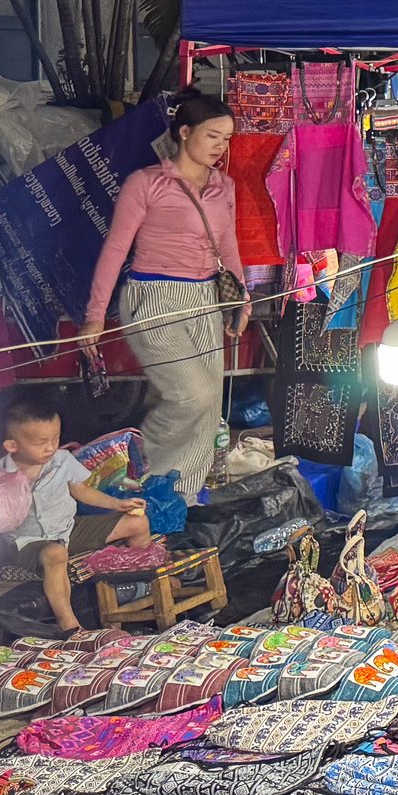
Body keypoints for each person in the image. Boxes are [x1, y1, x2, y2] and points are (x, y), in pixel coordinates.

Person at [80, 88, 248, 498]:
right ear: (184, 132)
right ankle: (141, 472)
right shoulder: (146, 183)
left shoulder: (223, 187)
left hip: (205, 299)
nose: (220, 147)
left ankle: (180, 500)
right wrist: (94, 316)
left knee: (209, 408)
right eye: (212, 136)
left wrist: (240, 301)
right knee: (192, 396)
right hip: (153, 298)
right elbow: (116, 248)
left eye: (226, 138)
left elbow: (229, 246)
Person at [0, 391, 150, 634]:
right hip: (27, 543)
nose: (50, 447)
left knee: (137, 523)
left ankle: (145, 585)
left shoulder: (62, 460)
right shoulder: (0, 475)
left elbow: (82, 491)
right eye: (41, 442)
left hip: (68, 529)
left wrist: (118, 504)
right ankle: (71, 627)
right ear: (13, 446)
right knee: (55, 553)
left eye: (55, 438)